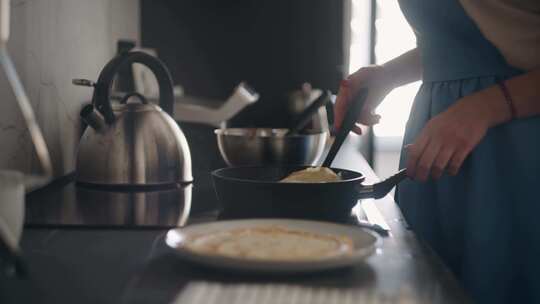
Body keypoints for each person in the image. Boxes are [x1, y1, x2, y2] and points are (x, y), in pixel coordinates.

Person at [334, 1, 540, 303]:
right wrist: (389, 74)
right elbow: (461, 40)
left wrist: (486, 107)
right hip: (439, 144)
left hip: (518, 150)